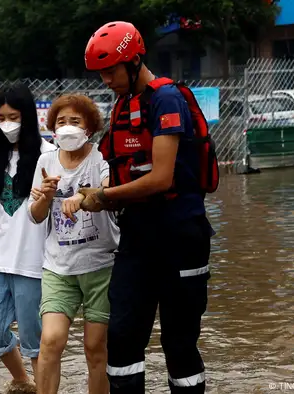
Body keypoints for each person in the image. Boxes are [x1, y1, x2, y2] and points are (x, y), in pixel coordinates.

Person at [80, 21, 219, 393]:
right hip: (138, 237)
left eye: (111, 71)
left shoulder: (167, 100)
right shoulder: (124, 105)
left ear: (135, 60)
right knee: (123, 334)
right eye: (101, 74)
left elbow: (161, 178)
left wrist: (105, 197)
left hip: (180, 236)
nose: (106, 80)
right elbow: (115, 168)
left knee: (179, 341)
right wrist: (91, 193)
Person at [28, 94, 120, 394]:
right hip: (58, 267)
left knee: (95, 348)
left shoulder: (100, 158)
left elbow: (109, 190)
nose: (68, 127)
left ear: (89, 128)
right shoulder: (45, 161)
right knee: (50, 341)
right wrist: (43, 196)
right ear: (52, 128)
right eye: (61, 122)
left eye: (75, 121)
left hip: (100, 265)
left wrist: (82, 195)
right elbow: (36, 216)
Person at [0, 83, 57, 392]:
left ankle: (45, 388)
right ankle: (23, 382)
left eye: (14, 116)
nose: (7, 123)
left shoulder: (49, 156)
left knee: (36, 341)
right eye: (1, 117)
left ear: (29, 117)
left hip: (35, 265)